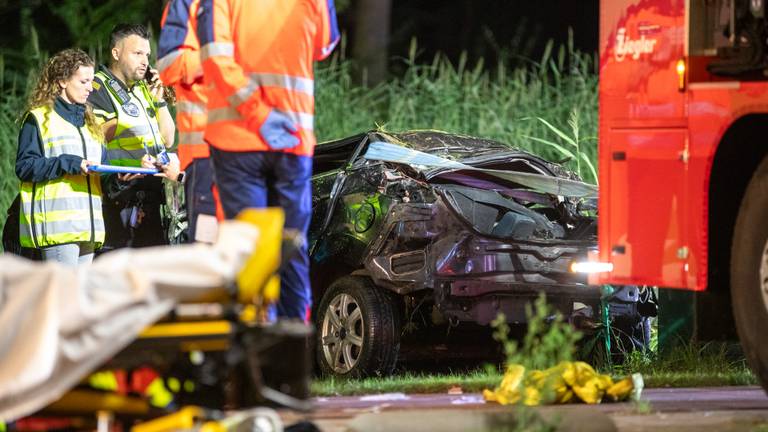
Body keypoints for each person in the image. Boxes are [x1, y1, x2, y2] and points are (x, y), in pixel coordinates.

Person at [197, 0, 340, 320]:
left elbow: (215, 58)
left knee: (249, 245)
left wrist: (258, 114)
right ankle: (292, 353)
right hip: (291, 139)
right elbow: (326, 44)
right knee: (291, 246)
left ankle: (255, 350)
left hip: (238, 141)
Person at [88, 24, 182, 251]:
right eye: (137, 53)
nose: (145, 61)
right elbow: (96, 136)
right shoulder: (97, 86)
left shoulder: (143, 89)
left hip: (150, 196)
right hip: (119, 198)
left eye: (147, 55)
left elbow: (168, 140)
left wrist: (159, 100)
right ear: (116, 53)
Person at [14, 48, 105, 266]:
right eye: (83, 82)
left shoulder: (92, 124)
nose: (89, 88)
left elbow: (103, 168)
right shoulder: (38, 118)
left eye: (91, 82)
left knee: (77, 298)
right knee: (63, 298)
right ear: (63, 80)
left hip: (89, 229)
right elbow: (25, 167)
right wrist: (68, 163)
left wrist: (122, 176)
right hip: (59, 229)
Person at [158, 0, 217, 243]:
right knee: (208, 248)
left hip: (252, 157)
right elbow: (169, 65)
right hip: (205, 160)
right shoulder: (186, 4)